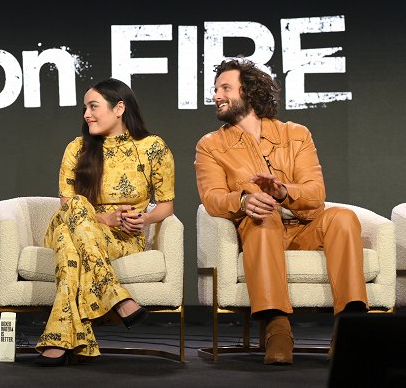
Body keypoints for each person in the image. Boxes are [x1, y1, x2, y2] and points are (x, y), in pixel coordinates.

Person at [194, 58, 368, 365]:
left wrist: (284, 191)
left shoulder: (296, 134)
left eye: (225, 88)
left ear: (248, 92)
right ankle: (277, 328)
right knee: (263, 216)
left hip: (304, 227)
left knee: (343, 218)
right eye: (215, 89)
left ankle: (350, 329)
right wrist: (243, 201)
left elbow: (316, 193)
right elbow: (212, 198)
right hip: (260, 227)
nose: (216, 95)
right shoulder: (211, 145)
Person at [35, 78, 175, 366]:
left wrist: (144, 219)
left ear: (119, 108)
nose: (86, 114)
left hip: (121, 239)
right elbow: (66, 206)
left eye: (93, 106)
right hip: (75, 223)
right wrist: (104, 218)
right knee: (76, 204)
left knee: (69, 248)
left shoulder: (153, 147)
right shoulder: (77, 148)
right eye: (85, 107)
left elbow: (166, 206)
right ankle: (115, 295)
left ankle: (61, 339)